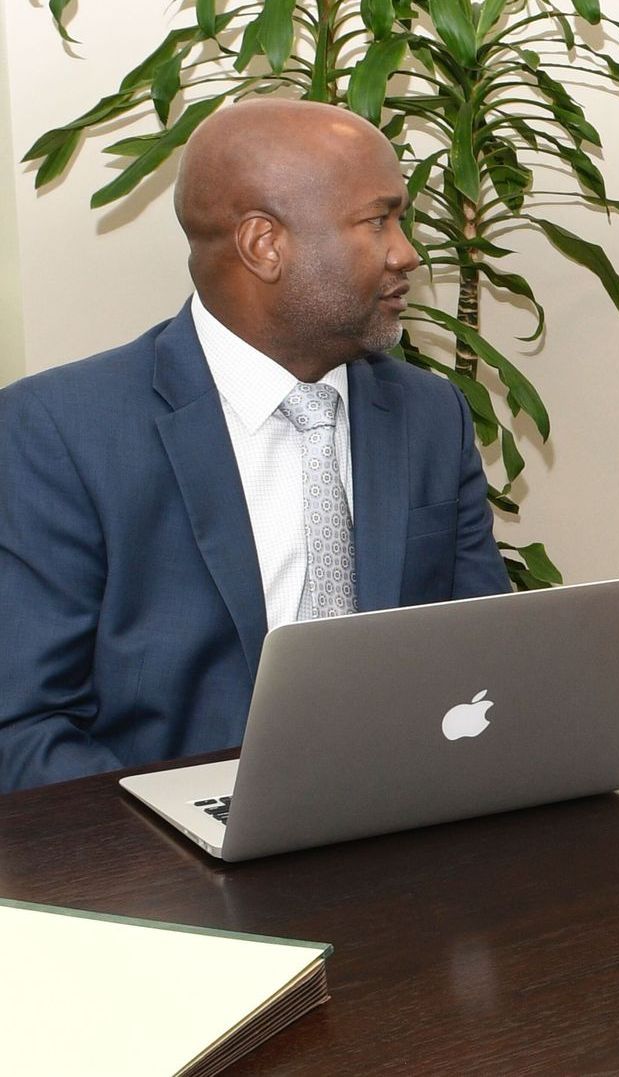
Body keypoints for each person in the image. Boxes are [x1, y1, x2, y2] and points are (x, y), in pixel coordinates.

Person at [0, 99, 509, 793]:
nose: (407, 251)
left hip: (399, 829)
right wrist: (203, 840)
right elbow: (24, 731)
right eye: (378, 219)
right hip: (165, 863)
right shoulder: (59, 432)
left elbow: (485, 663)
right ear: (263, 245)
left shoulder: (429, 414)